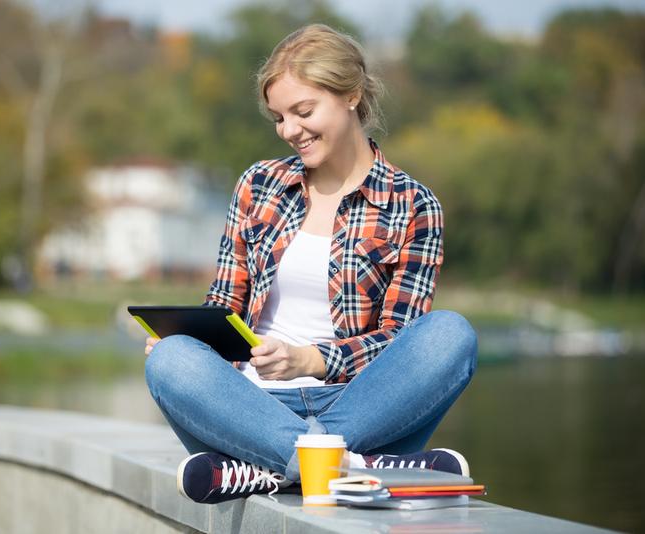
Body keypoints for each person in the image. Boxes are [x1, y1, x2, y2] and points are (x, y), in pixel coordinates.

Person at [145, 23, 477, 505]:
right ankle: (354, 467)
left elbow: (399, 341)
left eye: (303, 112)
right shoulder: (259, 185)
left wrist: (312, 359)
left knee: (451, 335)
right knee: (172, 360)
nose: (290, 130)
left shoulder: (414, 206)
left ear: (351, 95)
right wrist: (184, 337)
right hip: (250, 405)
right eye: (280, 118)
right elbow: (223, 302)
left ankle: (264, 469)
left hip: (362, 407)